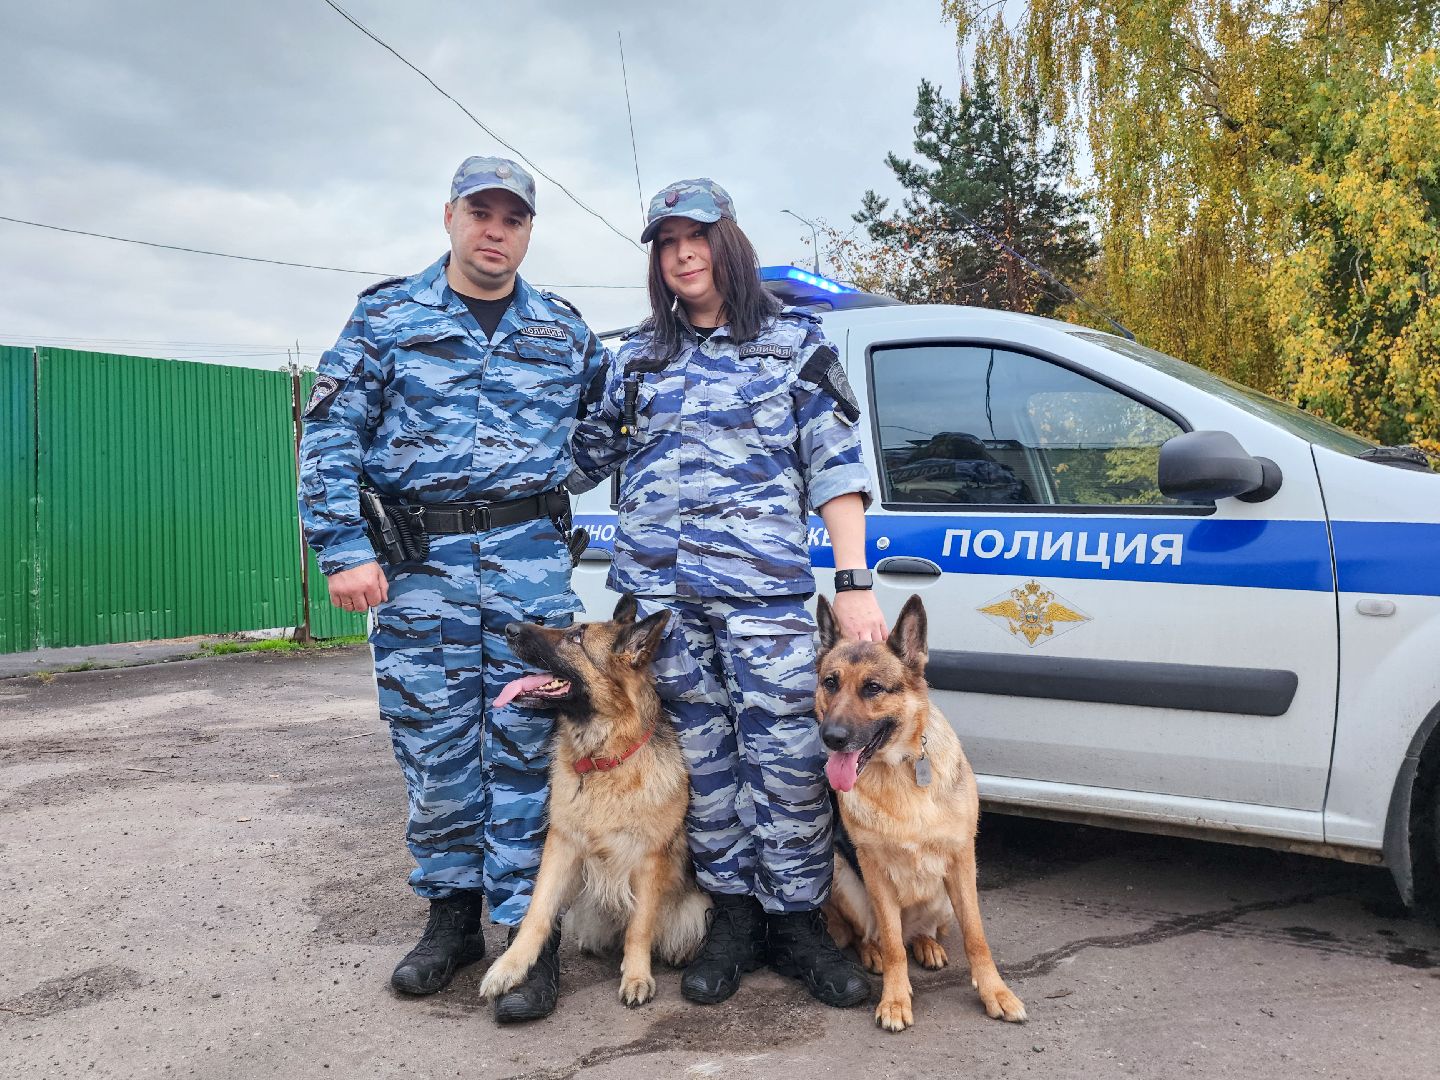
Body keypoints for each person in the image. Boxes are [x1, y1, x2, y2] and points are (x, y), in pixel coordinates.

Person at [298, 156, 608, 1022]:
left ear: (529, 230)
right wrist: (342, 548)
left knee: (526, 749)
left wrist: (549, 484)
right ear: (450, 218)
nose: (495, 230)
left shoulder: (564, 330)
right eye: (481, 212)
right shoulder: (388, 316)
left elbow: (609, 423)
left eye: (513, 217)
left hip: (528, 574)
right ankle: (450, 922)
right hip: (418, 571)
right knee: (433, 746)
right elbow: (328, 436)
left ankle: (526, 935)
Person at [570, 178, 888, 1009]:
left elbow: (836, 467)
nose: (682, 252)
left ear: (727, 243)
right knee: (704, 770)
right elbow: (578, 457)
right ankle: (735, 920)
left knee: (786, 761)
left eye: (697, 236)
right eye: (667, 241)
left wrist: (853, 585)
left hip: (762, 599)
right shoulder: (637, 359)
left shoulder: (794, 343)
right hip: (663, 614)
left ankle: (796, 926)